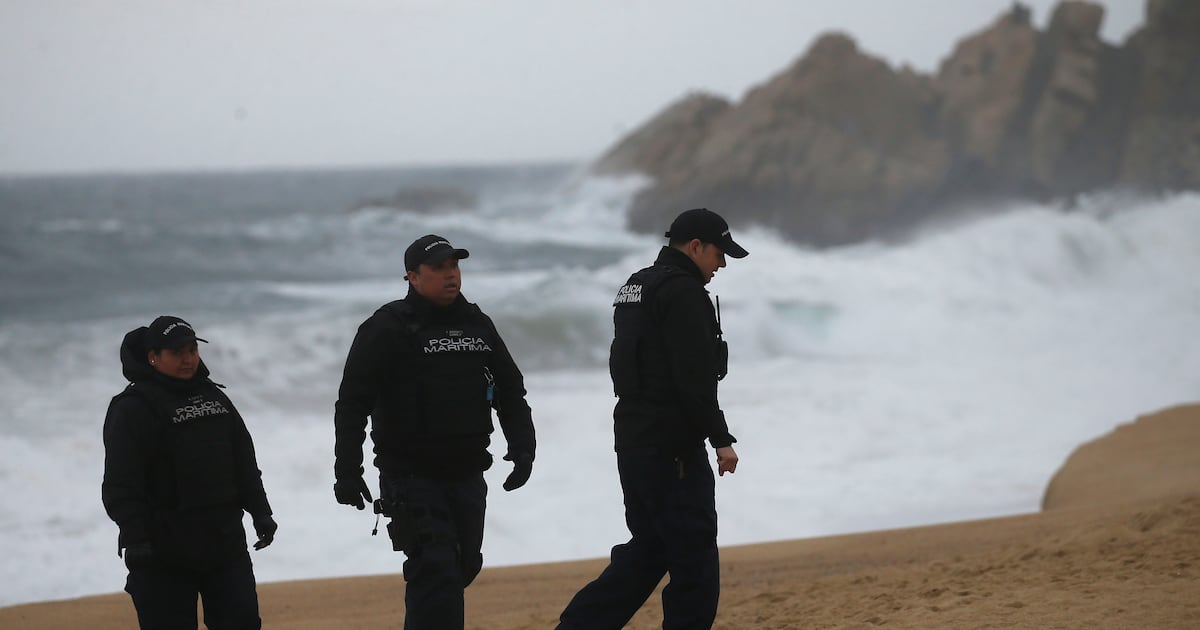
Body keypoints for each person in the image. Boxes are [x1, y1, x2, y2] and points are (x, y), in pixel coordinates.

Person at [333, 234, 537, 629]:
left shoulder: (477, 324)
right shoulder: (386, 327)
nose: (450, 276)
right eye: (439, 268)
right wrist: (347, 469)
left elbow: (511, 390)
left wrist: (523, 447)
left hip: (467, 474)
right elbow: (352, 402)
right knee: (436, 569)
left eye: (454, 267)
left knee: (463, 565)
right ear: (411, 276)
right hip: (410, 478)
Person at [557, 208, 748, 629]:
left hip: (634, 441)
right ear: (695, 246)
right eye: (719, 253)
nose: (722, 264)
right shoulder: (682, 291)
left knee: (649, 551)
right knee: (695, 565)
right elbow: (692, 378)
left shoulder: (634, 285)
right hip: (672, 449)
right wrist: (721, 439)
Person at [102, 315, 277, 630]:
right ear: (153, 357)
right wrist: (136, 537)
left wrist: (261, 513)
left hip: (224, 545)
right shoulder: (132, 408)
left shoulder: (215, 399)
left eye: (192, 350)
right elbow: (120, 484)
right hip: (162, 553)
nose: (188, 359)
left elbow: (244, 464)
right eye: (177, 352)